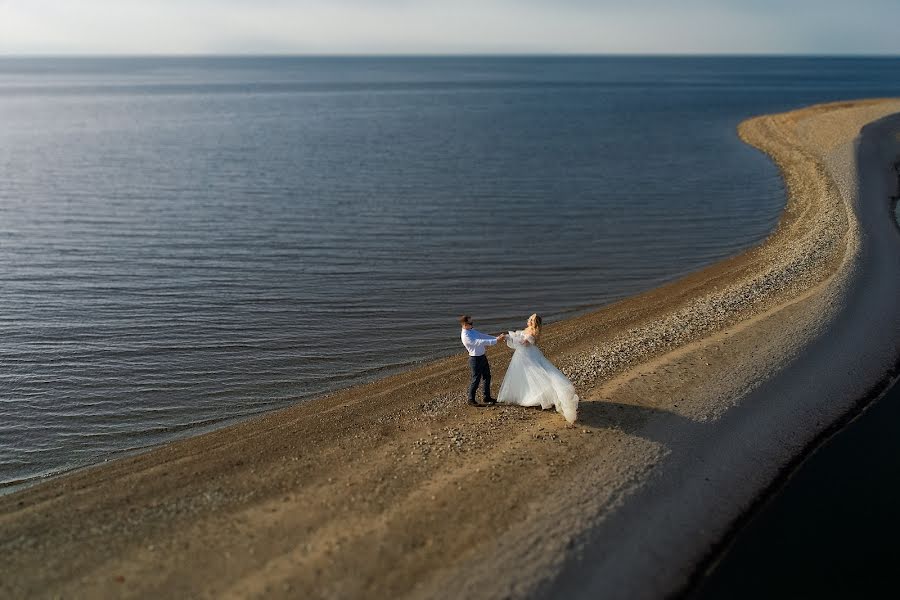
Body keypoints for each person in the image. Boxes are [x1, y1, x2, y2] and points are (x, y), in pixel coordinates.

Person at [498, 313, 578, 423]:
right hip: (521, 355)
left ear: (534, 323)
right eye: (530, 319)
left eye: (531, 320)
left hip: (527, 355)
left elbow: (523, 343)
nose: (529, 320)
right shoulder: (528, 329)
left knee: (534, 375)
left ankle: (534, 398)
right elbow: (518, 336)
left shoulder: (533, 332)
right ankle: (524, 394)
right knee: (523, 375)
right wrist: (509, 336)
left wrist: (508, 337)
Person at [459, 315, 506, 406]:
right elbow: (479, 341)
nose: (472, 325)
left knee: (487, 376)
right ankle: (471, 399)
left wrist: (496, 338)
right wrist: (496, 341)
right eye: (470, 323)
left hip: (482, 357)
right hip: (475, 359)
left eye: (472, 323)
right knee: (476, 379)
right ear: (464, 324)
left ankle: (486, 397)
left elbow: (483, 336)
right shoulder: (465, 336)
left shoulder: (471, 330)